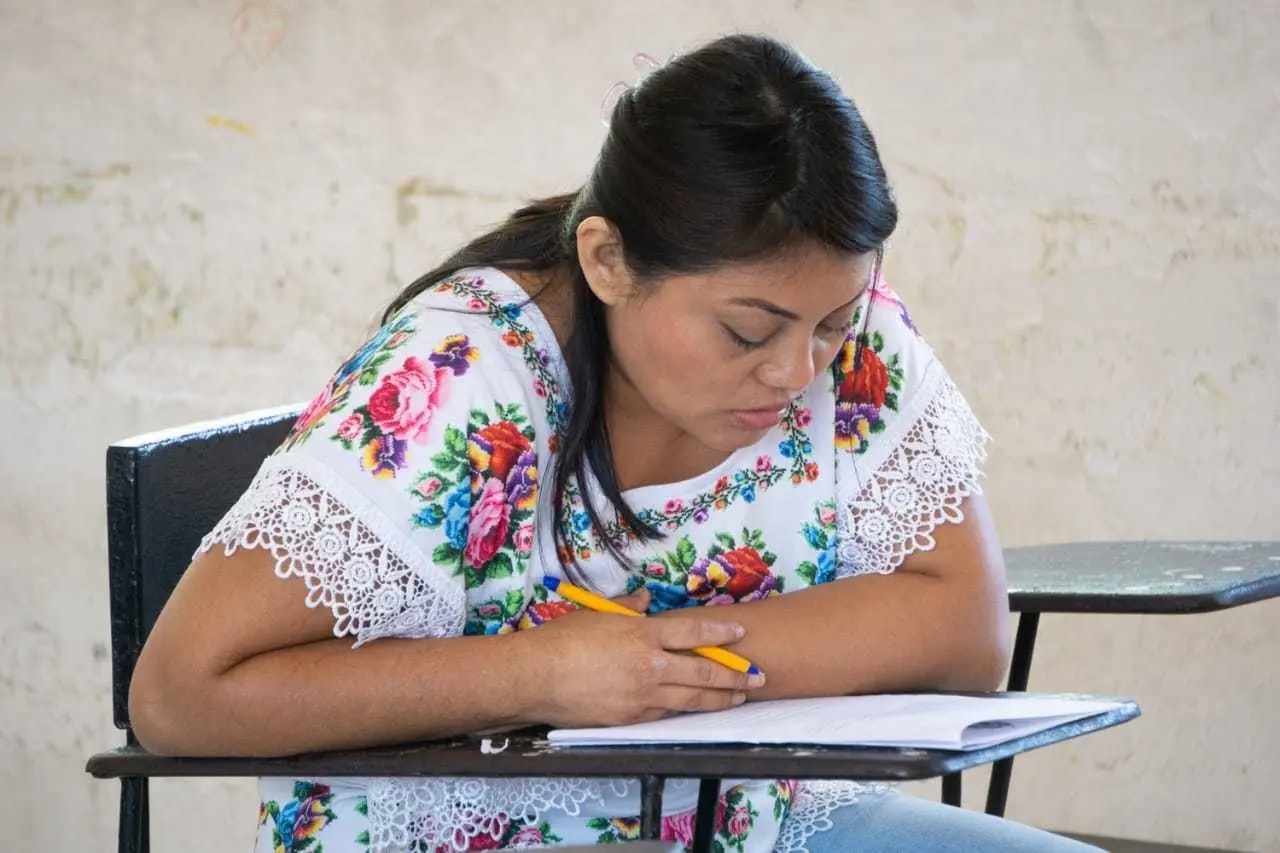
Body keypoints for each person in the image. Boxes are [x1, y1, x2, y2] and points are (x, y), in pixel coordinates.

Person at [128, 33, 1101, 853]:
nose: (796, 372)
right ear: (605, 259)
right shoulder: (463, 378)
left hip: (747, 821)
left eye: (833, 323)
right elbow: (181, 695)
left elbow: (963, 631)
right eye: (745, 332)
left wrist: (648, 667)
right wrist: (548, 674)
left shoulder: (835, 329)